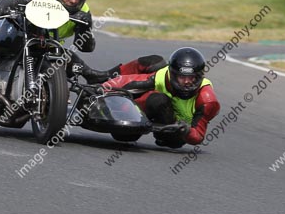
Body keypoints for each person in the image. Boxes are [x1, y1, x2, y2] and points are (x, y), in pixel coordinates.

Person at [91, 48, 221, 148]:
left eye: (191, 78)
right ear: (173, 75)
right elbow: (129, 81)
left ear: (199, 76)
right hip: (137, 122)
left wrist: (186, 130)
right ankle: (108, 84)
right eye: (182, 77)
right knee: (126, 135)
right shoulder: (163, 76)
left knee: (160, 104)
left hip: (174, 135)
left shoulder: (208, 100)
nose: (187, 82)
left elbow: (198, 136)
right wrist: (103, 88)